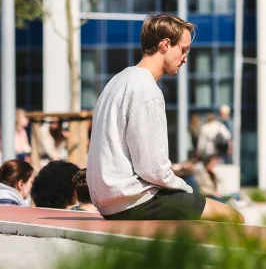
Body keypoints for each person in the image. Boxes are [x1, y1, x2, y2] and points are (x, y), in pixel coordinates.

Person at [87, 13, 243, 223]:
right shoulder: (146, 89)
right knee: (233, 217)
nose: (186, 58)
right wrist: (186, 190)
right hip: (134, 202)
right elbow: (153, 169)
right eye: (184, 49)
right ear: (165, 45)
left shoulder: (118, 80)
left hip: (109, 202)